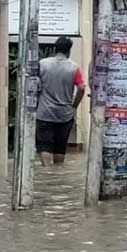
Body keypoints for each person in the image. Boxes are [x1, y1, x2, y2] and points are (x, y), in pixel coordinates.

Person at [35, 37, 86, 166]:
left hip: (45, 113)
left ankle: (47, 172)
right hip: (65, 115)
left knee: (44, 145)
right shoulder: (74, 68)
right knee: (60, 146)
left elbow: (34, 83)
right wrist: (74, 105)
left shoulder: (43, 64)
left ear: (54, 49)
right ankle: (57, 172)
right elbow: (81, 87)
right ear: (69, 51)